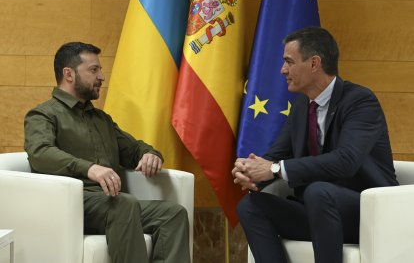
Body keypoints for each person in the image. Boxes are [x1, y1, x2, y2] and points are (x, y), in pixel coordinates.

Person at [232, 27, 399, 263]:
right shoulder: (302, 107)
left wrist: (275, 169)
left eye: (289, 62)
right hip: (317, 211)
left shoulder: (360, 101)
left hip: (367, 214)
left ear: (314, 63)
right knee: (251, 206)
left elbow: (346, 161)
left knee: (318, 192)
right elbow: (273, 159)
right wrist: (250, 170)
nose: (283, 70)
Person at [24, 42, 191, 263]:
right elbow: (40, 153)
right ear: (69, 74)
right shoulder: (42, 115)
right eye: (94, 70)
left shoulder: (101, 119)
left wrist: (151, 155)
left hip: (113, 203)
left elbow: (134, 149)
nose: (102, 76)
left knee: (173, 214)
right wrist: (89, 168)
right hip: (72, 203)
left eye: (100, 70)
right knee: (123, 204)